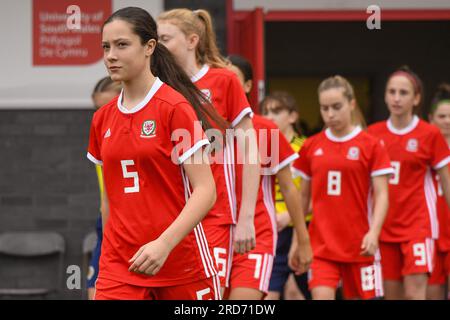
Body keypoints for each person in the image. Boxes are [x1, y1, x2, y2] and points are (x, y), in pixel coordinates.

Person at [87, 6, 228, 300]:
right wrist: (104, 260)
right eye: (106, 47)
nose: (110, 55)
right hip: (120, 266)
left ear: (149, 47)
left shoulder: (175, 108)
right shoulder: (102, 119)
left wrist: (164, 244)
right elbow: (107, 200)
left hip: (181, 262)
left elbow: (205, 191)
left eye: (122, 45)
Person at [157, 9, 260, 293]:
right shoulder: (157, 87)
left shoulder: (223, 81)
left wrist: (247, 217)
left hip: (214, 214)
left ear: (192, 40)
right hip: (170, 217)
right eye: (156, 38)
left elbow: (251, 149)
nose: (157, 45)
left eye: (165, 38)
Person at [292, 75, 392, 300]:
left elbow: (383, 195)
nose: (330, 114)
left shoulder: (371, 145)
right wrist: (297, 241)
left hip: (361, 246)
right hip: (322, 248)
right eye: (324, 108)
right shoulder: (311, 146)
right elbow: (302, 198)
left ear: (352, 103)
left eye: (336, 107)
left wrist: (374, 233)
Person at [225, 55, 312, 299]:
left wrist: (302, 240)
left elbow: (289, 188)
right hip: (215, 236)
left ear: (248, 86)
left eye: (232, 78)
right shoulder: (205, 129)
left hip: (257, 233)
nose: (225, 84)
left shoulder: (265, 129)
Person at [368, 66, 450, 300]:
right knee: (392, 295)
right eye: (391, 91)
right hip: (384, 228)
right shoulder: (373, 134)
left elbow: (446, 182)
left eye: (403, 93)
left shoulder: (429, 134)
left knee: (416, 295)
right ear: (384, 96)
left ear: (416, 98)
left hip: (418, 227)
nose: (396, 98)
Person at [86, 77, 121, 300]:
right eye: (97, 108)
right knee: (95, 290)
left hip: (132, 225)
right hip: (106, 222)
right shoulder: (100, 130)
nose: (101, 113)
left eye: (107, 106)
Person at [427, 83, 450, 300]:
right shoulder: (422, 153)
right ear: (431, 118)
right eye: (442, 116)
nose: (448, 121)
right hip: (430, 236)